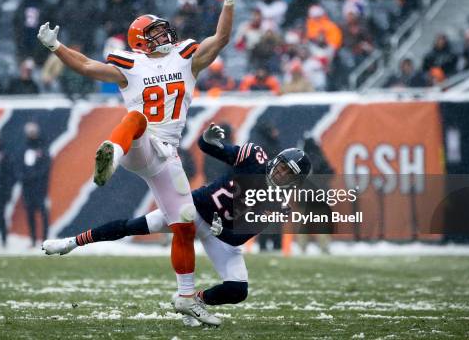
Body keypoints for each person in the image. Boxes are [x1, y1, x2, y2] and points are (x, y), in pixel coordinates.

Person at [37, 0, 235, 326]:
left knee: (185, 224)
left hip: (166, 155)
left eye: (162, 29)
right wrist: (56, 47)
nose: (163, 34)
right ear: (140, 42)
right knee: (138, 118)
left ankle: (187, 298)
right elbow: (85, 65)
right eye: (154, 33)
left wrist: (230, 3)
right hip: (137, 144)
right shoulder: (131, 65)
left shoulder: (186, 57)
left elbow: (220, 38)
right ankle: (109, 153)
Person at [42, 124, 311, 326]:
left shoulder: (280, 202)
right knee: (133, 226)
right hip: (193, 209)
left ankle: (195, 301)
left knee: (238, 290)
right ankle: (71, 242)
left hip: (223, 232)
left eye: (289, 173)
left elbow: (240, 238)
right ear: (277, 160)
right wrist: (209, 140)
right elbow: (210, 149)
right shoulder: (255, 157)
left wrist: (222, 231)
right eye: (284, 166)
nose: (282, 173)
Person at [20, 122, 50, 248]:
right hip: (28, 188)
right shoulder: (23, 148)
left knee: (43, 214)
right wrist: (25, 177)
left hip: (40, 187)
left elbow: (46, 166)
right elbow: (18, 166)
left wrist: (35, 176)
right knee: (30, 214)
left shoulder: (42, 147)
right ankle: (33, 239)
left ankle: (45, 240)